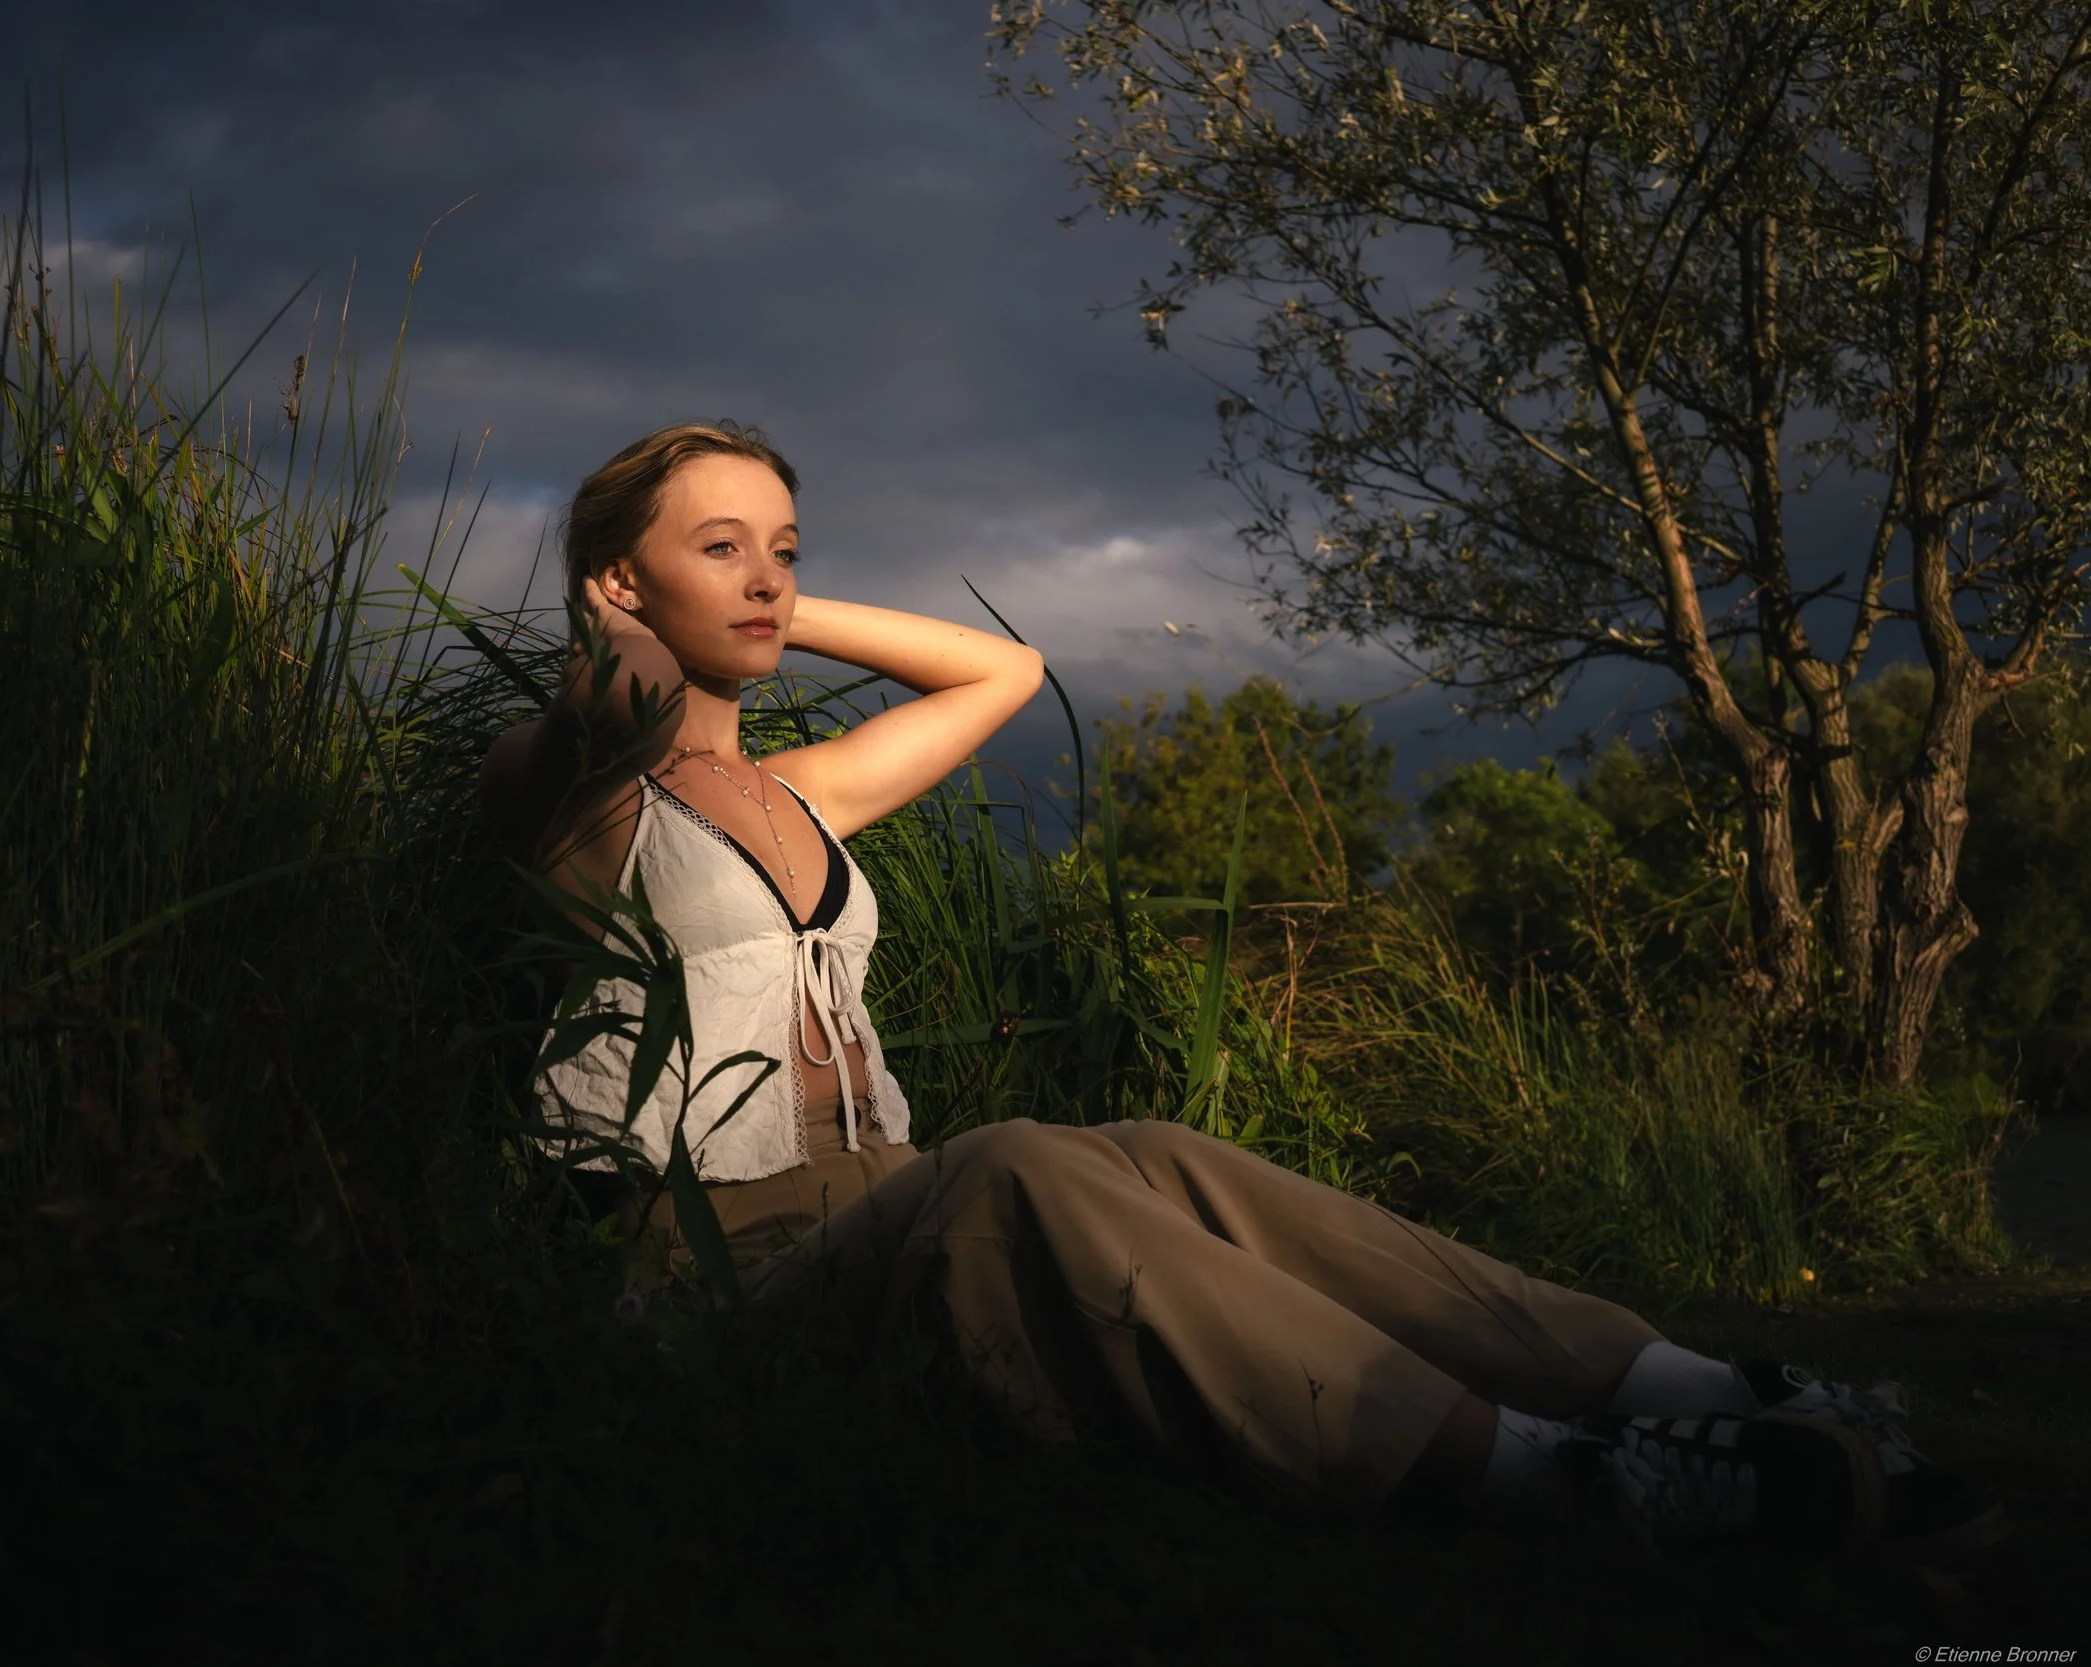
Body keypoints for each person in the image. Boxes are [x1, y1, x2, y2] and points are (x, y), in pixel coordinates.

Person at [477, 419, 2006, 1565]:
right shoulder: (577, 798)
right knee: (1017, 1159)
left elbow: (996, 673)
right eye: (722, 544)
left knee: (1148, 1147)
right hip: (705, 1264)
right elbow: (599, 727)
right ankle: (1559, 1475)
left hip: (879, 1196)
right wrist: (630, 643)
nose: (767, 572)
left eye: (786, 543)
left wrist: (762, 604)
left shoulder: (808, 796)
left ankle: (1704, 1384)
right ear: (620, 581)